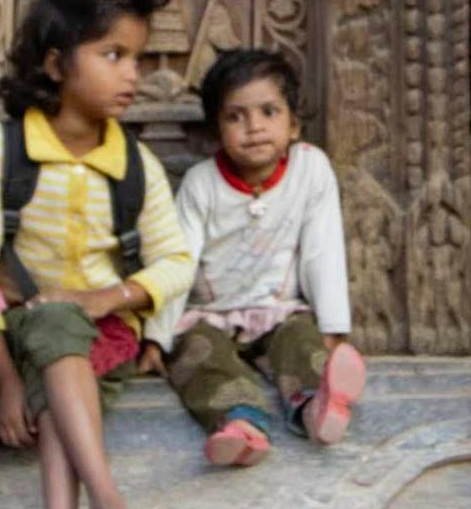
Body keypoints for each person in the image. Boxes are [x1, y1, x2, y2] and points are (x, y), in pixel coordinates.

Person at [0, 0, 198, 509]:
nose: (131, 74)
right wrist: (5, 379)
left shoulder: (134, 164)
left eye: (137, 58)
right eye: (113, 55)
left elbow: (177, 260)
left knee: (64, 335)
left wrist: (108, 296)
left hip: (99, 335)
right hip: (14, 335)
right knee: (55, 331)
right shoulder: (2, 149)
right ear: (58, 64)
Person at [156, 48, 367, 470]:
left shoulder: (311, 170)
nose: (254, 127)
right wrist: (157, 338)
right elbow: (178, 260)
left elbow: (322, 249)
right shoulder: (202, 185)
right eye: (236, 117)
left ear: (293, 125)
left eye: (269, 111)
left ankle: (316, 406)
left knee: (301, 343)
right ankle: (241, 424)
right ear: (217, 130)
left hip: (278, 309)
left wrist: (334, 327)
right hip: (209, 315)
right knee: (197, 357)